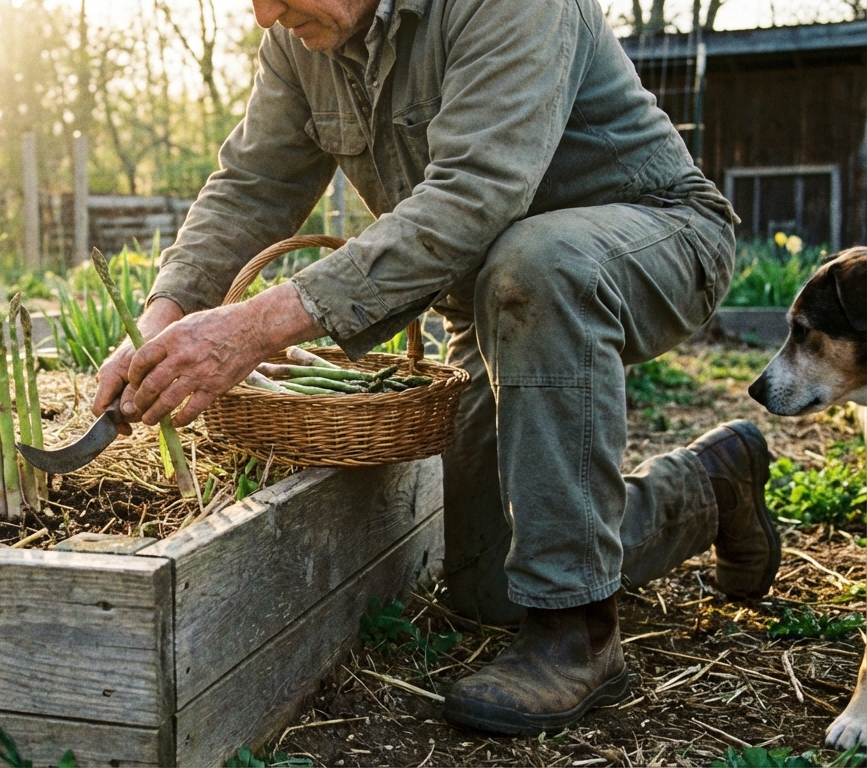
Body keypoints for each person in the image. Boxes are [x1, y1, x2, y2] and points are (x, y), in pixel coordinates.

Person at [92, 0, 782, 736]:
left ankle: (579, 633)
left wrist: (253, 329)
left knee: (540, 263)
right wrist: (164, 316)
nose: (265, 14)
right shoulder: (299, 41)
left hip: (654, 239)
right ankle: (710, 487)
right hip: (496, 298)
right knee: (490, 584)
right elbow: (253, 185)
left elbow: (475, 194)